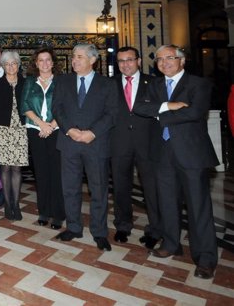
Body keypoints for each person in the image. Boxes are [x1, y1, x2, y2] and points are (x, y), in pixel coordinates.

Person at [133, 45, 219, 279]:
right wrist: (167, 106)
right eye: (159, 59)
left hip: (191, 155)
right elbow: (139, 107)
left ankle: (206, 258)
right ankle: (171, 244)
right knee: (167, 203)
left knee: (198, 208)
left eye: (169, 58)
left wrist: (158, 113)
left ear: (182, 61)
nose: (164, 63)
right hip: (162, 155)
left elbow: (194, 113)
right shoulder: (155, 85)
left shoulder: (198, 84)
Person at [53, 43, 117, 251]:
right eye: (73, 56)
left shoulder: (107, 84)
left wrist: (92, 133)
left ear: (92, 60)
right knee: (70, 188)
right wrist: (69, 129)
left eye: (79, 57)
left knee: (98, 190)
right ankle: (73, 227)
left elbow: (112, 113)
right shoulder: (63, 81)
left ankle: (99, 232)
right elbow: (57, 108)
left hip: (96, 144)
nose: (74, 60)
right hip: (69, 142)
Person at [110, 47, 160, 248]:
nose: (125, 64)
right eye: (121, 61)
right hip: (119, 142)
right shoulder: (110, 84)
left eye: (129, 60)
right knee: (121, 187)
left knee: (152, 188)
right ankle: (123, 225)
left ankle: (156, 228)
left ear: (139, 61)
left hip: (147, 143)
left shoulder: (154, 83)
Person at [20, 47, 64, 230]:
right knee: (41, 172)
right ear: (36, 63)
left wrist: (51, 125)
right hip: (35, 131)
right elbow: (25, 105)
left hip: (57, 131)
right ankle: (44, 211)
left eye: (48, 60)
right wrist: (41, 124)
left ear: (53, 63)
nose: (45, 63)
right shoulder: (30, 82)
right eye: (41, 60)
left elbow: (66, 106)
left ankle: (59, 214)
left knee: (57, 173)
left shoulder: (62, 82)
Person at [0, 50, 28, 221]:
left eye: (14, 63)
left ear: (18, 64)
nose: (11, 67)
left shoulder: (26, 83)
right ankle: (7, 204)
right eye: (7, 64)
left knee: (17, 167)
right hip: (3, 129)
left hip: (21, 129)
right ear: (3, 66)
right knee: (5, 168)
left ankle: (16, 204)